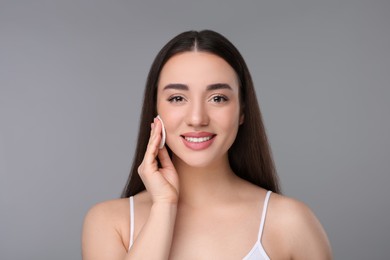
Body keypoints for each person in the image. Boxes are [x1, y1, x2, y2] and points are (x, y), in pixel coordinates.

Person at [82, 30, 332, 259]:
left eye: (218, 98)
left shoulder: (291, 222)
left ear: (242, 110)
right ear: (155, 109)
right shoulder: (110, 222)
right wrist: (164, 205)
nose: (197, 118)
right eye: (178, 98)